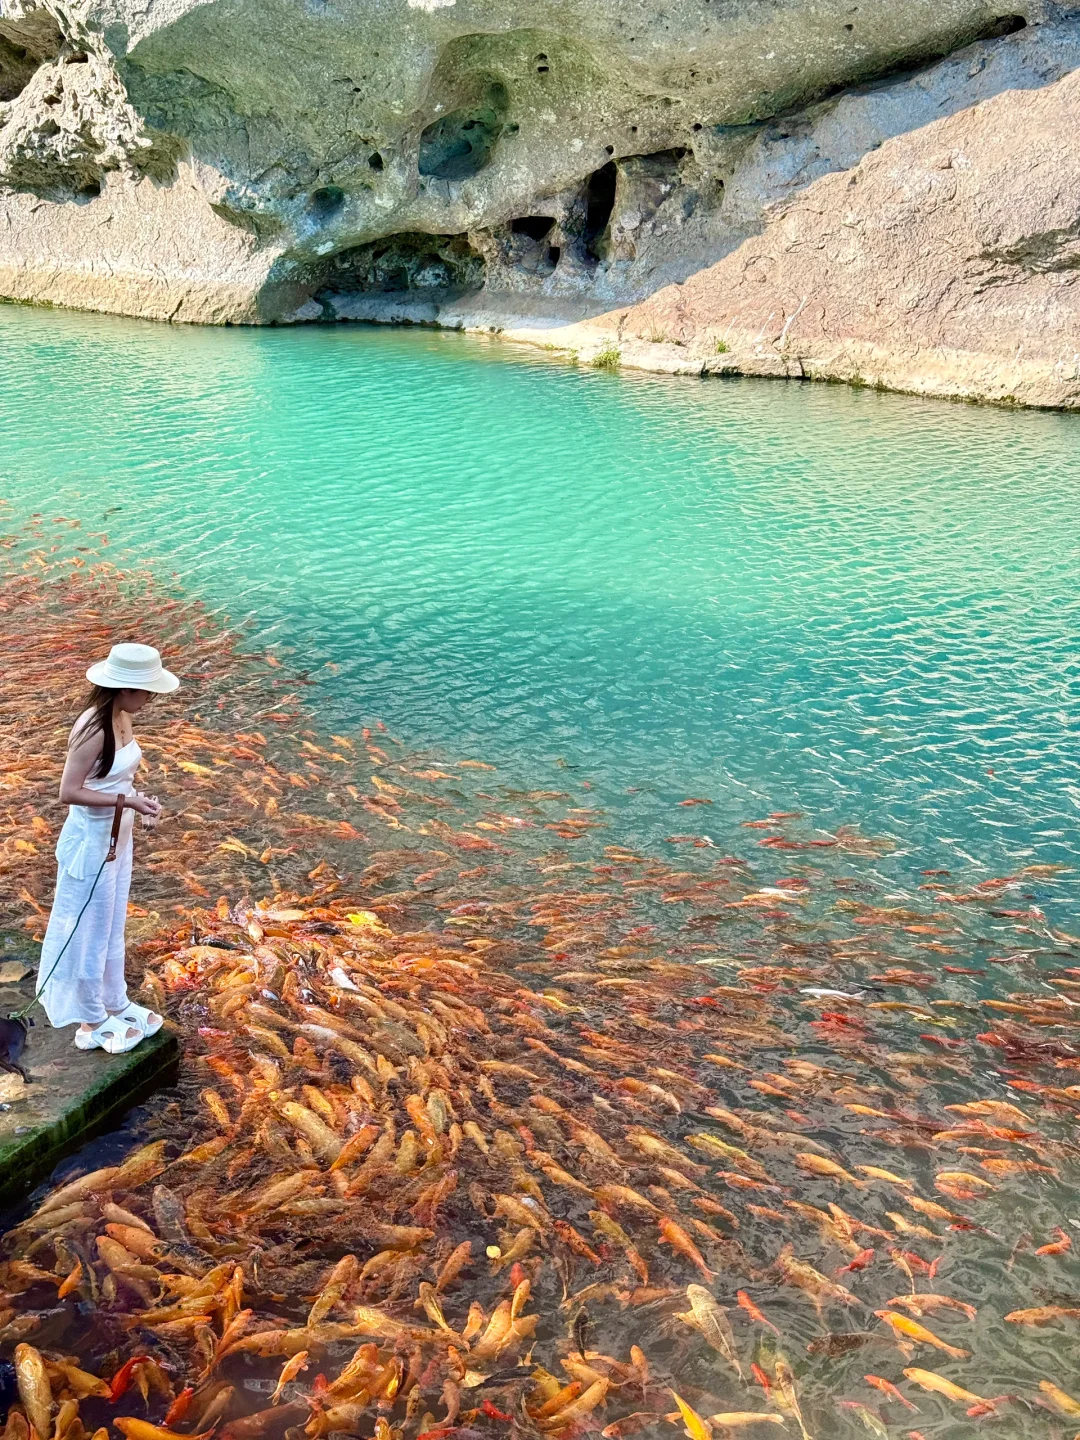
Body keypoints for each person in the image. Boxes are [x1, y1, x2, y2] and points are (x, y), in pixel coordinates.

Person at [36, 643, 179, 1054]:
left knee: (112, 921)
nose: (150, 699)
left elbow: (114, 781)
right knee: (87, 928)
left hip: (119, 837)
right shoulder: (94, 729)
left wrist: (140, 802)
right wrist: (127, 803)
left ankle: (112, 1001)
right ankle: (89, 1018)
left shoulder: (122, 718)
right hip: (92, 843)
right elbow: (68, 792)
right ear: (122, 689)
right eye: (146, 692)